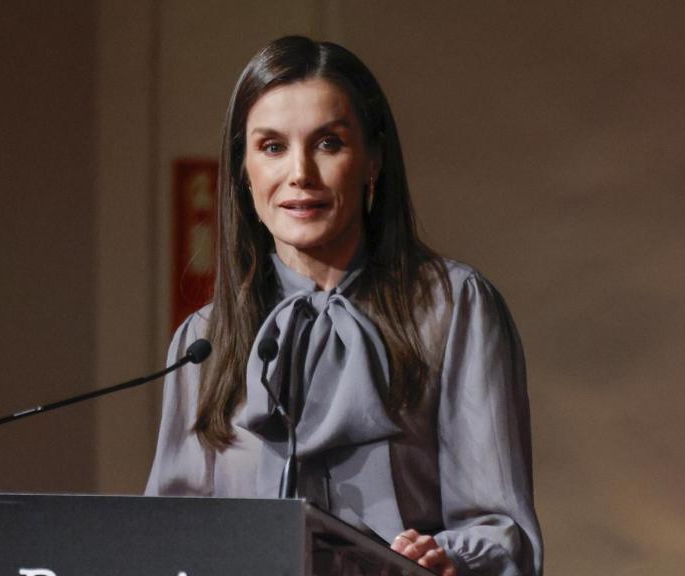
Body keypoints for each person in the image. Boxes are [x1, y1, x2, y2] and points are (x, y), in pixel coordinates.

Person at [146, 36, 542, 576]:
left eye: (328, 143)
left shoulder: (454, 309)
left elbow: (501, 530)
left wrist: (447, 559)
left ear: (373, 158)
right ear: (242, 168)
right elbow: (167, 541)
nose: (300, 173)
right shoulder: (206, 340)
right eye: (271, 147)